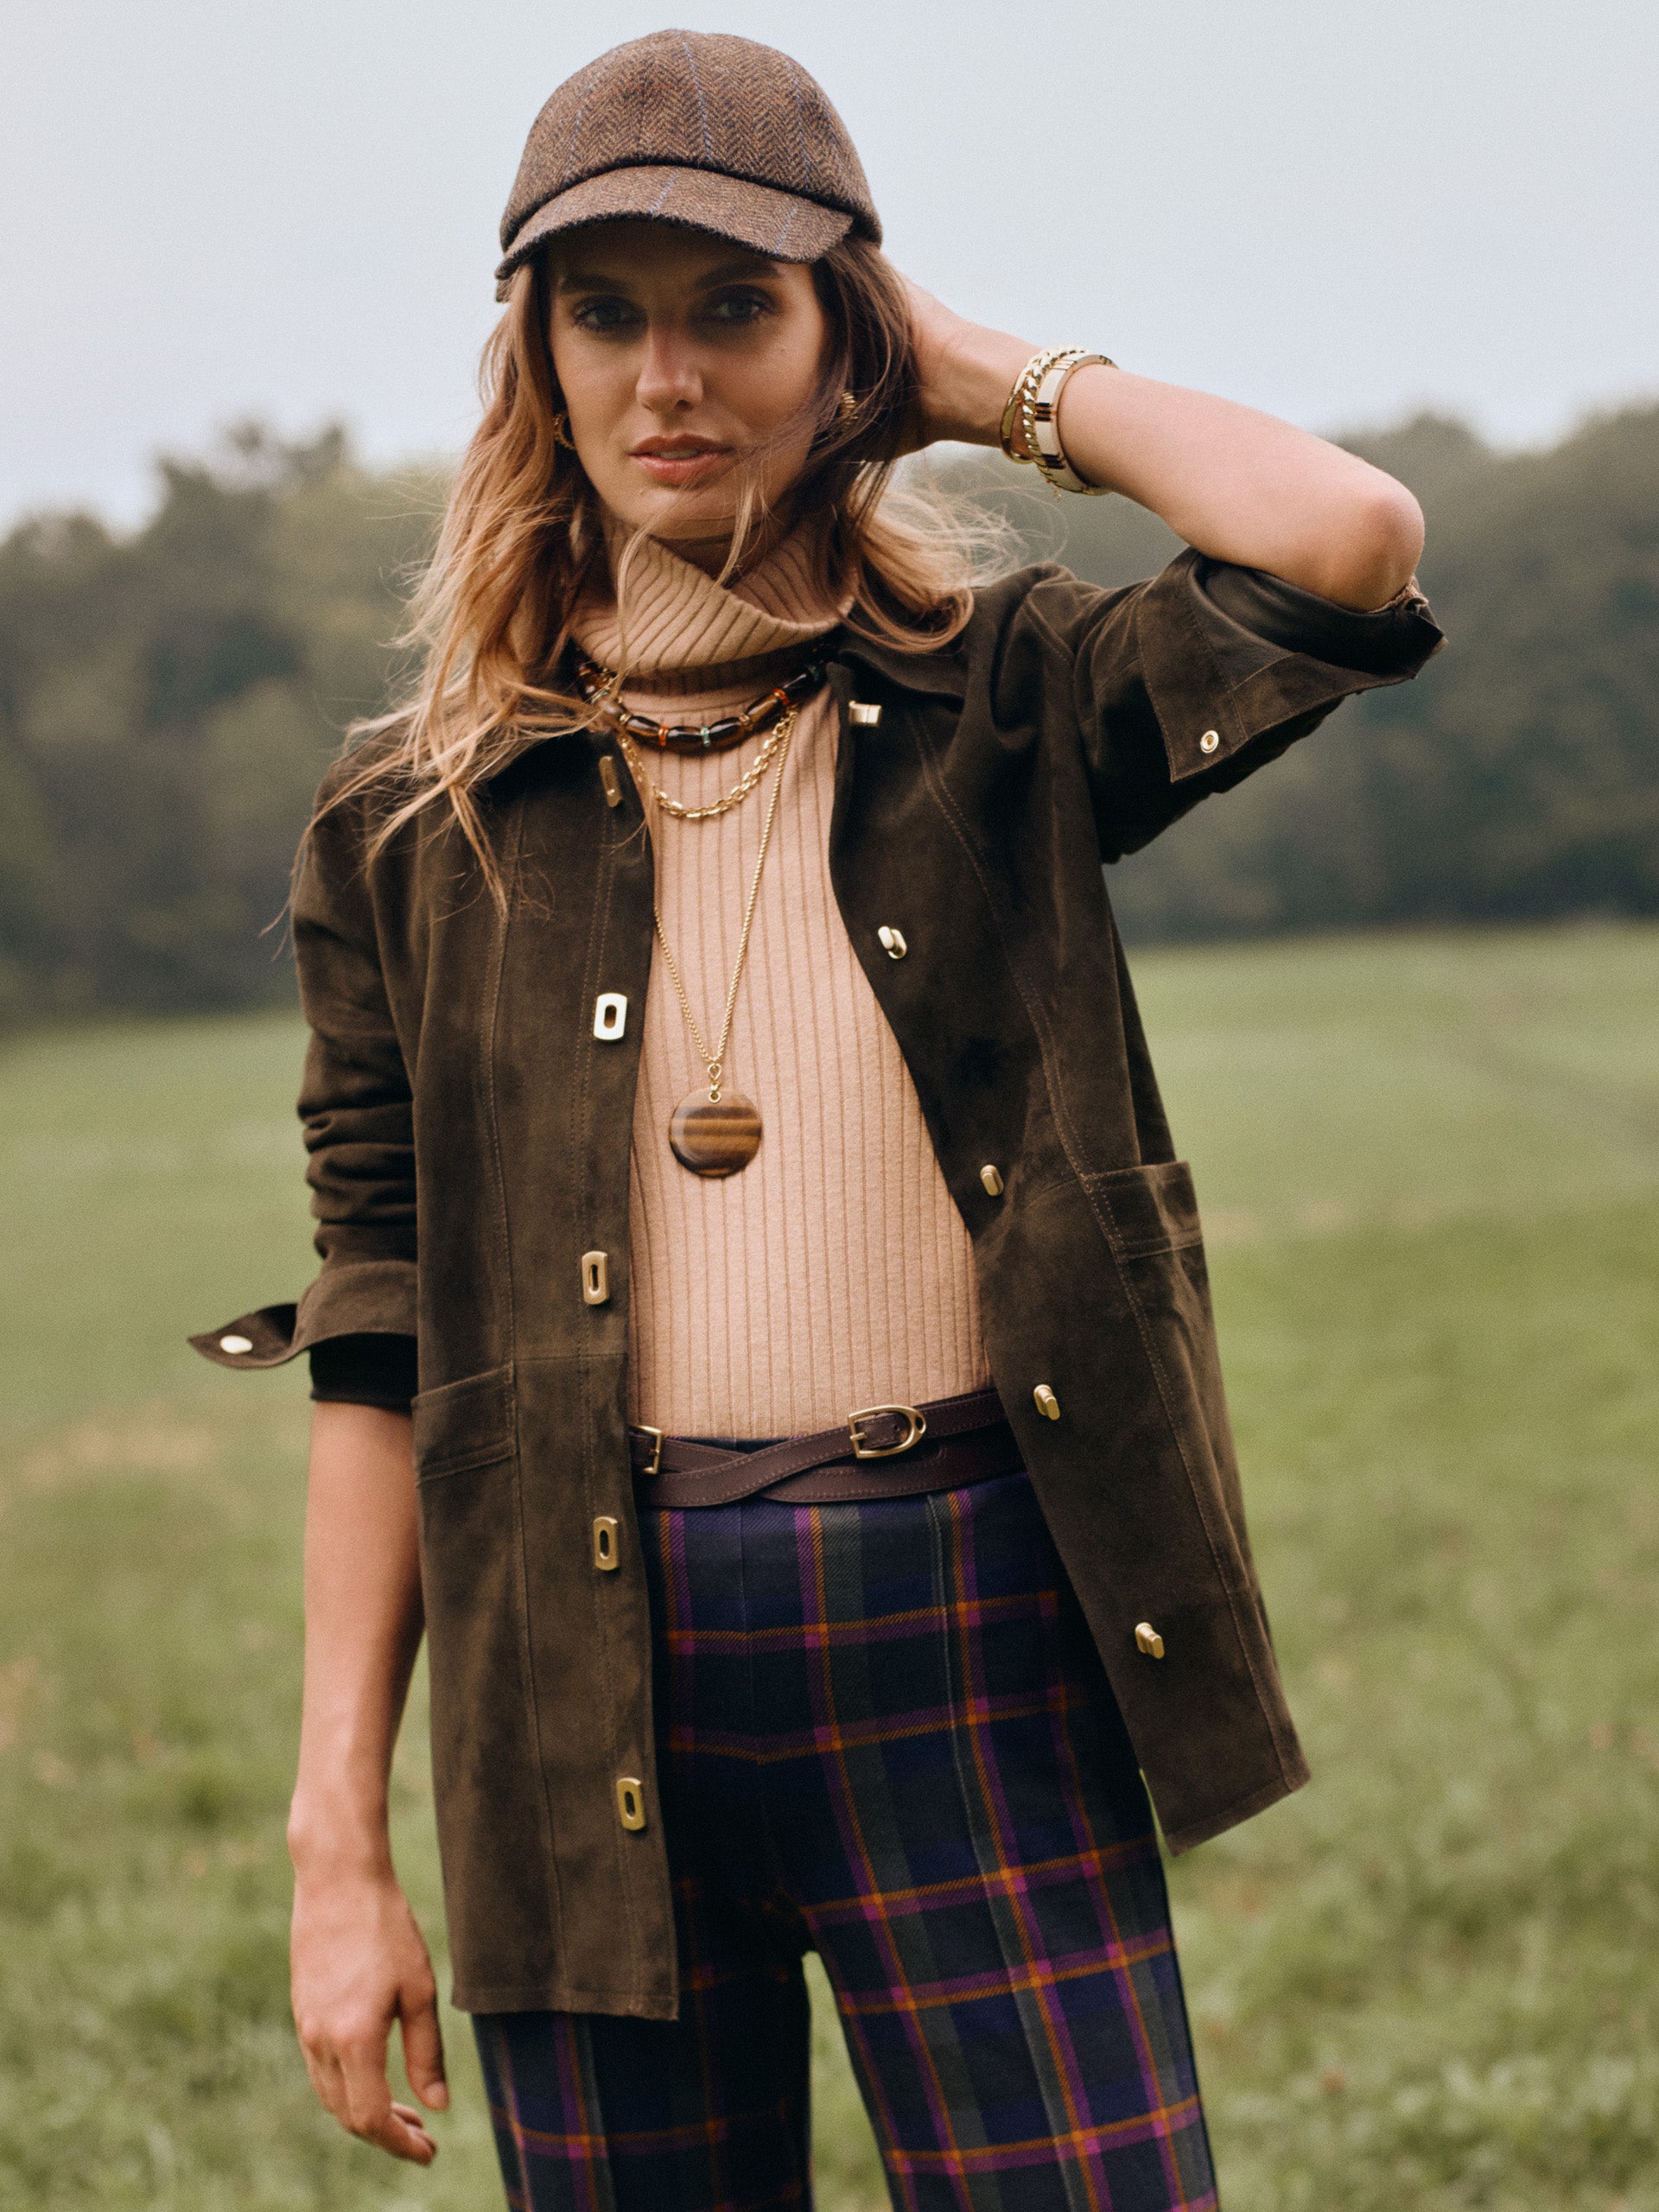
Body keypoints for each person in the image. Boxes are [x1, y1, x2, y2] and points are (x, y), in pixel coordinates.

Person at [194, 29, 1441, 2211]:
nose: (666, 376)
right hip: (572, 1673)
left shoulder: (1009, 698)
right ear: (537, 358)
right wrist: (334, 1842)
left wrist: (987, 378)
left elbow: (1346, 544)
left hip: (978, 1625)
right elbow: (374, 1339)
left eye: (736, 307)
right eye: (605, 313)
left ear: (840, 336)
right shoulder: (408, 818)